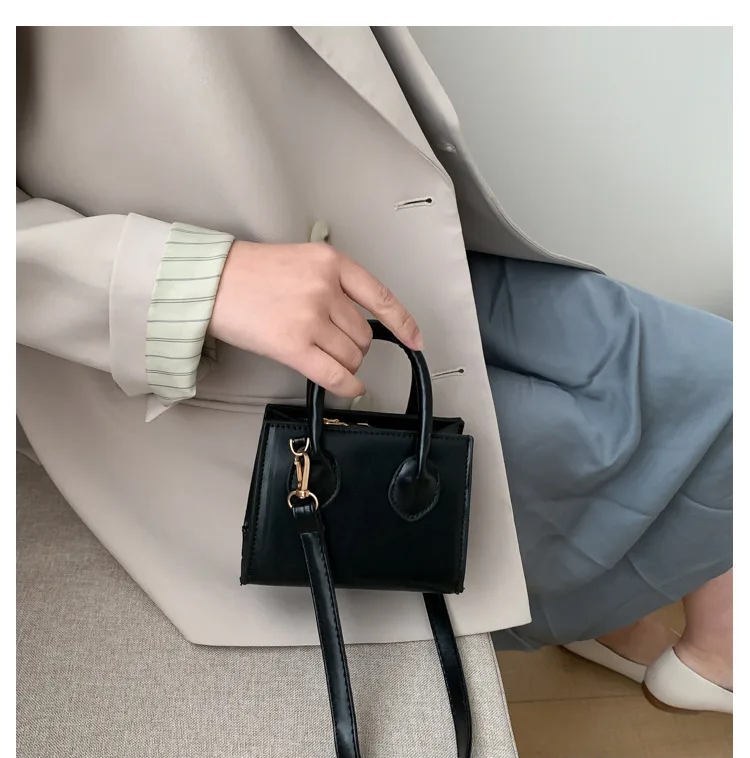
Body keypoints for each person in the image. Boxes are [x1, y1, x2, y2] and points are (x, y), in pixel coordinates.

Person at [16, 26, 731, 715]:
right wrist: (193, 283)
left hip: (405, 250)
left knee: (701, 377)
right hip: (221, 349)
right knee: (618, 427)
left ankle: (643, 625)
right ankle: (699, 648)